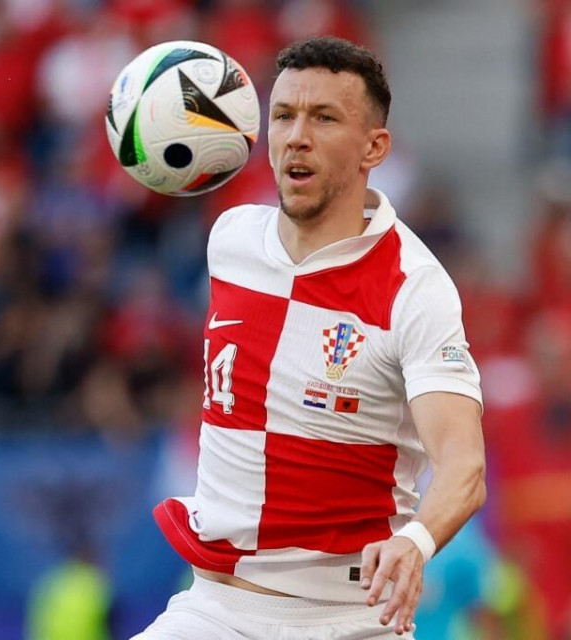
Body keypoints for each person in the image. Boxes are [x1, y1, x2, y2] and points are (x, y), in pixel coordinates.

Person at [130, 35, 486, 639]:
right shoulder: (230, 240)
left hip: (345, 619)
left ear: (375, 147)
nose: (297, 135)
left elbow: (465, 466)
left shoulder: (414, 288)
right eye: (285, 116)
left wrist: (417, 543)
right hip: (212, 609)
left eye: (324, 118)